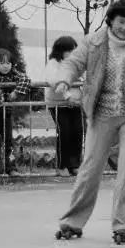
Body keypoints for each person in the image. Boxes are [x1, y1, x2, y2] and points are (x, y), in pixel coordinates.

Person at [50, 0, 125, 244]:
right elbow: (73, 63)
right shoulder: (94, 42)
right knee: (90, 170)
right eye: (121, 22)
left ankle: (121, 225)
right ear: (111, 20)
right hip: (101, 114)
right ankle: (72, 222)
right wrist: (64, 79)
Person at [0, 48, 31, 177]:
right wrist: (0, 95)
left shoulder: (13, 73)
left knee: (8, 139)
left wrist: (16, 93)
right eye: (2, 63)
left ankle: (11, 167)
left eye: (8, 63)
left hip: (6, 111)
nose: (6, 66)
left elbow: (25, 79)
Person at [44, 36, 83, 176]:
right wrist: (68, 96)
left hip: (76, 103)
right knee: (65, 132)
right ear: (61, 51)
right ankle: (62, 165)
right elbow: (54, 81)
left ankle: (75, 164)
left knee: (78, 132)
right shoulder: (53, 64)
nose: (73, 53)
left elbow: (84, 77)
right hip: (58, 104)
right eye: (70, 51)